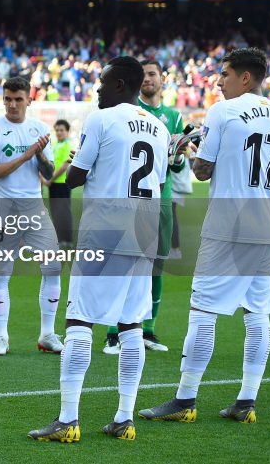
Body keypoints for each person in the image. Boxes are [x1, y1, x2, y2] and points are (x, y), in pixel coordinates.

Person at [140, 48, 270, 425]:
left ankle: (185, 399)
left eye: (224, 73)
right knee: (257, 312)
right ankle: (246, 402)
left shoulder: (223, 111)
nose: (217, 80)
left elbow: (203, 170)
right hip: (267, 226)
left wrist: (189, 146)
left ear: (245, 77)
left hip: (228, 224)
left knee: (203, 310)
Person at [29, 56, 170, 443]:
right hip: (144, 231)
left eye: (104, 83)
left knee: (79, 321)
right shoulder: (158, 127)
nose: (97, 89)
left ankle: (67, 420)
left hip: (106, 230)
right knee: (131, 326)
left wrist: (74, 162)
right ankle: (124, 418)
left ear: (121, 85)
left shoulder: (101, 119)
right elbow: (156, 180)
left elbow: (74, 178)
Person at [103, 59, 186, 355]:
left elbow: (176, 165)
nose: (148, 79)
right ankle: (113, 331)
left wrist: (178, 156)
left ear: (162, 79)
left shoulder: (173, 116)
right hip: (127, 200)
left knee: (155, 265)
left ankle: (147, 328)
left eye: (153, 74)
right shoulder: (126, 111)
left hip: (160, 201)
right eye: (144, 75)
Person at [0, 77, 63, 356]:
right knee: (2, 272)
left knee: (53, 267)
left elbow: (49, 175)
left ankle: (47, 334)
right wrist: (28, 154)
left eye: (18, 99)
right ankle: (1, 337)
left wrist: (40, 157)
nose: (12, 104)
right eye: (8, 99)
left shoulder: (39, 129)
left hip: (34, 207)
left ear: (29, 99)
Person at [42, 119, 75, 248]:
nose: (59, 132)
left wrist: (49, 179)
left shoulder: (69, 145)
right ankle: (59, 238)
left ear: (67, 131)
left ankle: (67, 239)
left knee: (63, 211)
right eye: (57, 130)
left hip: (61, 183)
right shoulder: (56, 145)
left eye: (62, 130)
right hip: (54, 184)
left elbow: (64, 165)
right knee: (55, 211)